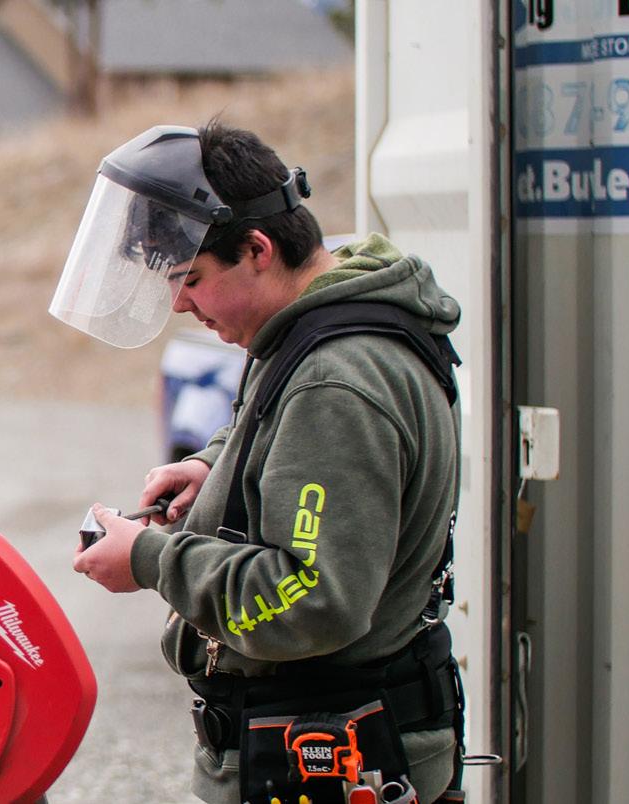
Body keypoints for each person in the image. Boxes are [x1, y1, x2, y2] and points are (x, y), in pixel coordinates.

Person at [59, 123, 465, 803]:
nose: (179, 304)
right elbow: (288, 435)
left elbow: (314, 601)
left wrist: (151, 560)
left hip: (328, 755)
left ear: (256, 248)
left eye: (191, 279)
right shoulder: (321, 323)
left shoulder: (335, 380)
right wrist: (215, 468)